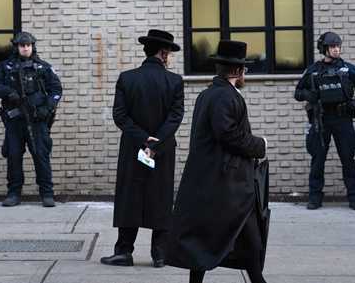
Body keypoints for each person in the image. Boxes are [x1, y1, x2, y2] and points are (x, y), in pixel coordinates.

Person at [166, 40, 268, 283]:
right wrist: (260, 145)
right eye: (245, 69)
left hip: (220, 183)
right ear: (237, 70)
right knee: (248, 243)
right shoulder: (224, 95)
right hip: (228, 187)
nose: (246, 74)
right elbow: (228, 135)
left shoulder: (210, 93)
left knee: (220, 241)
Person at [100, 29, 184, 268]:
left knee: (130, 195)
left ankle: (124, 251)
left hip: (133, 147)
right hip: (163, 148)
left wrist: (143, 140)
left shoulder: (127, 78)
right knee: (161, 195)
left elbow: (120, 116)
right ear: (164, 53)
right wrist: (155, 141)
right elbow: (175, 117)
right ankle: (160, 253)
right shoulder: (175, 81)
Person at [294, 32, 355, 210]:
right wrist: (308, 95)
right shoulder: (313, 70)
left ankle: (354, 198)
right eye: (332, 46)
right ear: (324, 49)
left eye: (338, 46)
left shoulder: (349, 69)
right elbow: (297, 93)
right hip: (320, 119)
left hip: (343, 119)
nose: (336, 49)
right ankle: (315, 197)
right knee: (317, 159)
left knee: (348, 159)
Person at [0, 32, 62, 207]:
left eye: (28, 45)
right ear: (16, 47)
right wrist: (9, 93)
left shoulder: (43, 67)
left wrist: (47, 108)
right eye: (22, 45)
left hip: (37, 120)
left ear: (32, 46)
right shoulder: (5, 67)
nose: (25, 48)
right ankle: (13, 194)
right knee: (14, 156)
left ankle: (46, 194)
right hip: (15, 121)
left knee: (41, 156)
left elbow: (56, 89)